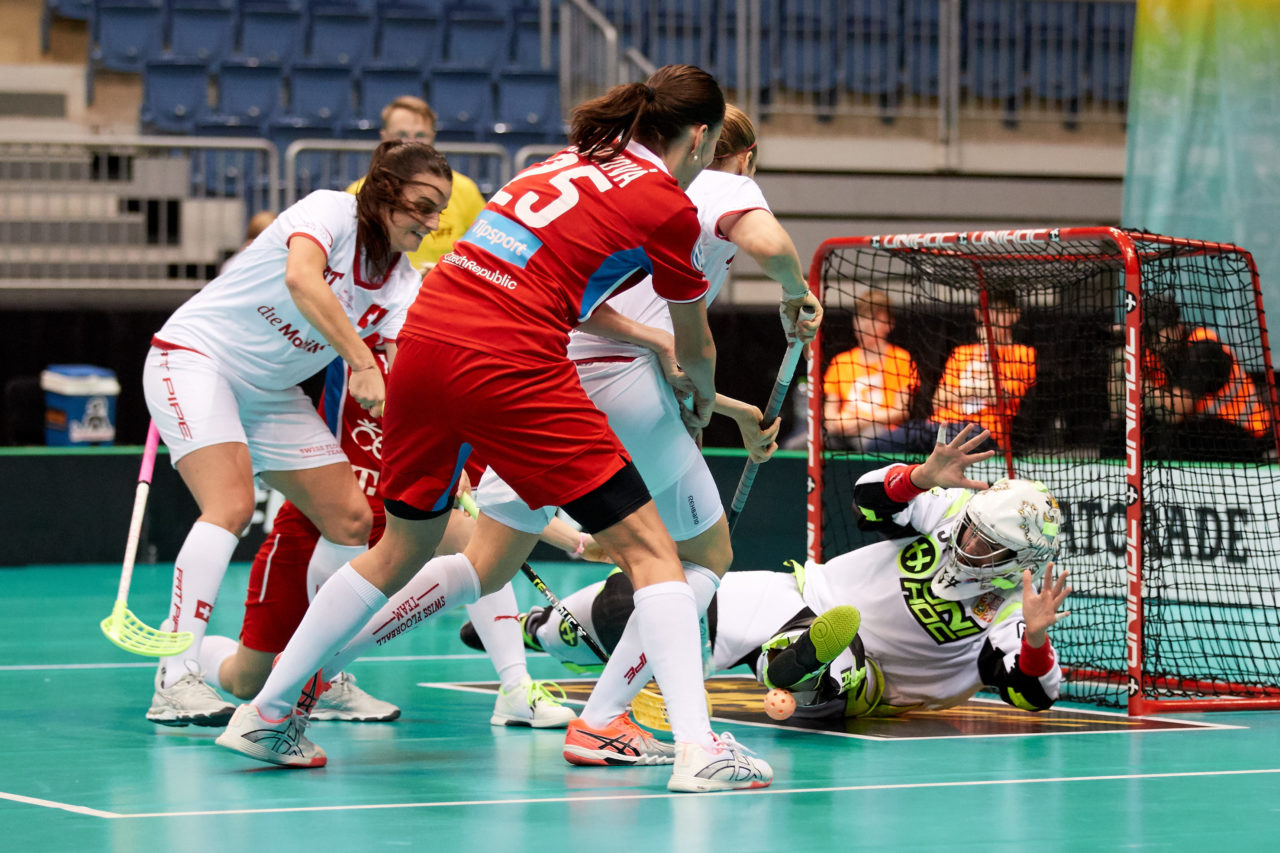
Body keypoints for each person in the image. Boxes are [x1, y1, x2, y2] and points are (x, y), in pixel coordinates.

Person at [216, 65, 774, 793]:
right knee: (651, 552)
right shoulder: (665, 201)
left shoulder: (566, 162)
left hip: (423, 342)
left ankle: (267, 709)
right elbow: (695, 345)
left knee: (403, 544)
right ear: (699, 136)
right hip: (511, 361)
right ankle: (700, 750)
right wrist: (702, 398)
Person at [464, 103, 822, 768]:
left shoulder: (620, 185)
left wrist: (739, 415)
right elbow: (768, 251)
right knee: (699, 557)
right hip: (622, 388)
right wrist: (795, 295)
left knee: (473, 568)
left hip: (544, 373)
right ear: (732, 152)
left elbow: (651, 339)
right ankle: (612, 719)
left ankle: (293, 681)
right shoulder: (725, 185)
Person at [141, 140, 453, 728]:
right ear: (384, 193)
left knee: (350, 518)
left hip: (268, 391)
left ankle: (317, 672)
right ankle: (175, 676)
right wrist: (361, 361)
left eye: (440, 210)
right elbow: (302, 280)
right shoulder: (328, 212)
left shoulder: (401, 285)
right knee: (230, 504)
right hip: (195, 358)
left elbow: (404, 362)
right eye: (422, 206)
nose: (433, 223)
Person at [514, 425, 1072, 719]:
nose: (967, 541)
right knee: (630, 603)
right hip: (801, 592)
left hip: (871, 674)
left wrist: (1038, 637)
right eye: (973, 527)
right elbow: (868, 502)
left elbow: (1033, 696)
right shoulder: (951, 516)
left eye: (986, 543)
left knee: (832, 672)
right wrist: (922, 477)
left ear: (1017, 562)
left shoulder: (1010, 608)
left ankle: (793, 667)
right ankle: (538, 628)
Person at [196, 334, 588, 727]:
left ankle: (515, 689)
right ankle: (190, 655)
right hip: (322, 523)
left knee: (477, 543)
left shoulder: (459, 360)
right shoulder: (344, 335)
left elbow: (494, 509)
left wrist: (576, 541)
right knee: (247, 680)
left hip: (401, 520)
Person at [864, 289, 1035, 455]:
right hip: (938, 425)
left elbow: (1000, 395)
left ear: (1014, 315)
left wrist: (988, 348)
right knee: (879, 444)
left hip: (982, 431)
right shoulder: (961, 353)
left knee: (948, 445)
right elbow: (938, 400)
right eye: (987, 311)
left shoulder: (1023, 354)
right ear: (978, 314)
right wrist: (976, 392)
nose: (992, 318)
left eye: (1001, 312)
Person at [346, 95, 487, 273]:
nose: (411, 142)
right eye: (401, 135)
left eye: (420, 135)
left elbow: (485, 252)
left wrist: (444, 273)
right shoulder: (358, 193)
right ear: (384, 137)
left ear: (432, 137)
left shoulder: (465, 190)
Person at [1138, 294, 1273, 461]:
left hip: (1245, 432)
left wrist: (1140, 386)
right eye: (1147, 333)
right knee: (1123, 430)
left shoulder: (1202, 348)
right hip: (1207, 427)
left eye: (1157, 332)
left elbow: (1176, 411)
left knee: (1169, 436)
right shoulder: (1159, 352)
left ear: (1176, 326)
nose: (1153, 340)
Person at [822, 288, 919, 451]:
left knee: (870, 444)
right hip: (843, 429)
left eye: (874, 318)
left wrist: (862, 420)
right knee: (799, 444)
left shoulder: (901, 359)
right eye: (861, 317)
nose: (865, 324)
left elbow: (902, 410)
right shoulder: (841, 361)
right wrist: (838, 423)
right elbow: (830, 413)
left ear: (889, 324)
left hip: (882, 430)